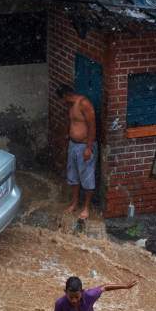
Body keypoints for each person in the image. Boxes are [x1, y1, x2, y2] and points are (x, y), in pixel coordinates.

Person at [56, 84, 97, 220]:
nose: (61, 103)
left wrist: (89, 148)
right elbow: (73, 123)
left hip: (84, 146)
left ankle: (86, 207)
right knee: (73, 176)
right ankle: (74, 203)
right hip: (73, 145)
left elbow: (92, 126)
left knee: (87, 177)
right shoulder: (70, 106)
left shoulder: (84, 104)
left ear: (66, 96)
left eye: (62, 100)